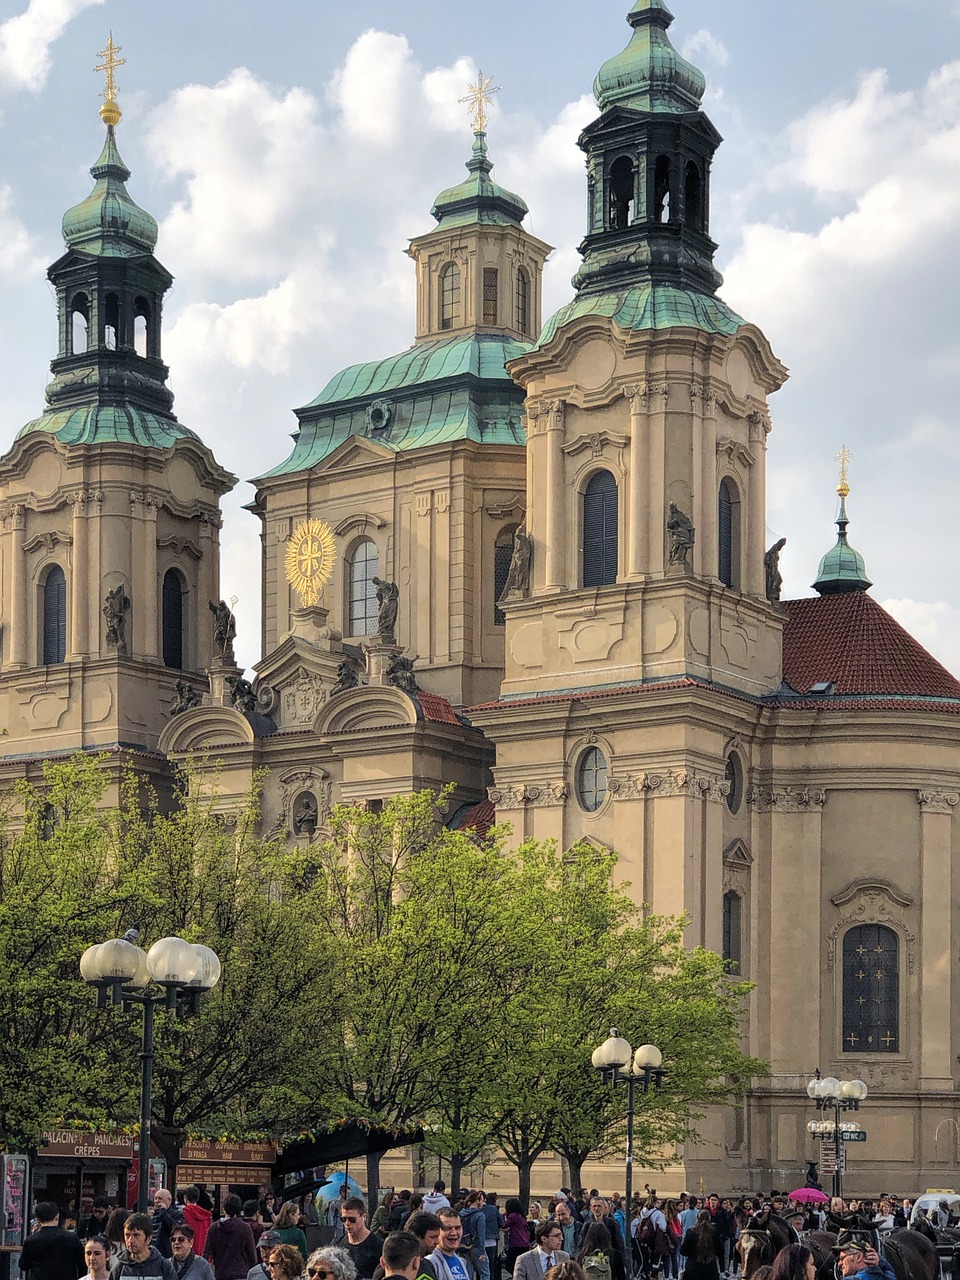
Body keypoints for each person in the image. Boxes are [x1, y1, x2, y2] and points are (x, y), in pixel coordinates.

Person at [19, 1200, 86, 1280]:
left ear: (37, 1219)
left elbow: (24, 1265)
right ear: (57, 1216)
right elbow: (82, 1264)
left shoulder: (31, 1241)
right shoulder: (72, 1238)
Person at [110, 1212, 177, 1280]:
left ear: (148, 1239)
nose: (130, 1240)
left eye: (136, 1235)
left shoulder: (164, 1267)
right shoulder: (119, 1269)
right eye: (127, 1235)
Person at [205, 1195, 257, 1280]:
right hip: (241, 1274)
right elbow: (252, 1256)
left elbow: (206, 1253)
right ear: (240, 1209)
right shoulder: (245, 1228)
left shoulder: (214, 1228)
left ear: (224, 1209)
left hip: (221, 1274)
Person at [341, 1198, 383, 1280]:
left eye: (352, 1219)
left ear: (363, 1217)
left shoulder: (378, 1246)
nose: (347, 1223)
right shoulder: (337, 1244)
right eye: (343, 1219)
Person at [426, 1209, 475, 1280]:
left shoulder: (461, 1261)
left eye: (457, 1228)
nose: (454, 1233)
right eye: (448, 1228)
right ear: (436, 1231)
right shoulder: (430, 1263)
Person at [679, 1212, 720, 1280]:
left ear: (697, 1219)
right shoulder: (714, 1232)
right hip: (710, 1268)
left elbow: (683, 1251)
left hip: (693, 1268)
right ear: (709, 1219)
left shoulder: (691, 1232)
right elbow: (720, 1250)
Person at [459, 1193, 489, 1280]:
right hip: (476, 1246)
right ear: (477, 1201)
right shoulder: (480, 1215)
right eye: (482, 1201)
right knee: (485, 1273)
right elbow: (481, 1235)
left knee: (468, 1272)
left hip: (463, 1246)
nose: (483, 1203)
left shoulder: (461, 1214)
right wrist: (482, 1252)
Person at [152, 1190, 185, 1260]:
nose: (157, 1201)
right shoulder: (152, 1215)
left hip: (167, 1254)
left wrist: (164, 1212)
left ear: (169, 1200)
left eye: (160, 1198)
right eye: (155, 1198)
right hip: (152, 1253)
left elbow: (177, 1229)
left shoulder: (177, 1215)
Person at [504, 1200, 532, 1276]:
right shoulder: (521, 1216)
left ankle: (517, 1275)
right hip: (525, 1242)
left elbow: (505, 1224)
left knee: (509, 1263)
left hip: (516, 1242)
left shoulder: (512, 1216)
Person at [184, 1189, 213, 1257]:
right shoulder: (206, 1215)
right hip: (203, 1250)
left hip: (189, 1250)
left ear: (185, 1198)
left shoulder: (185, 1213)